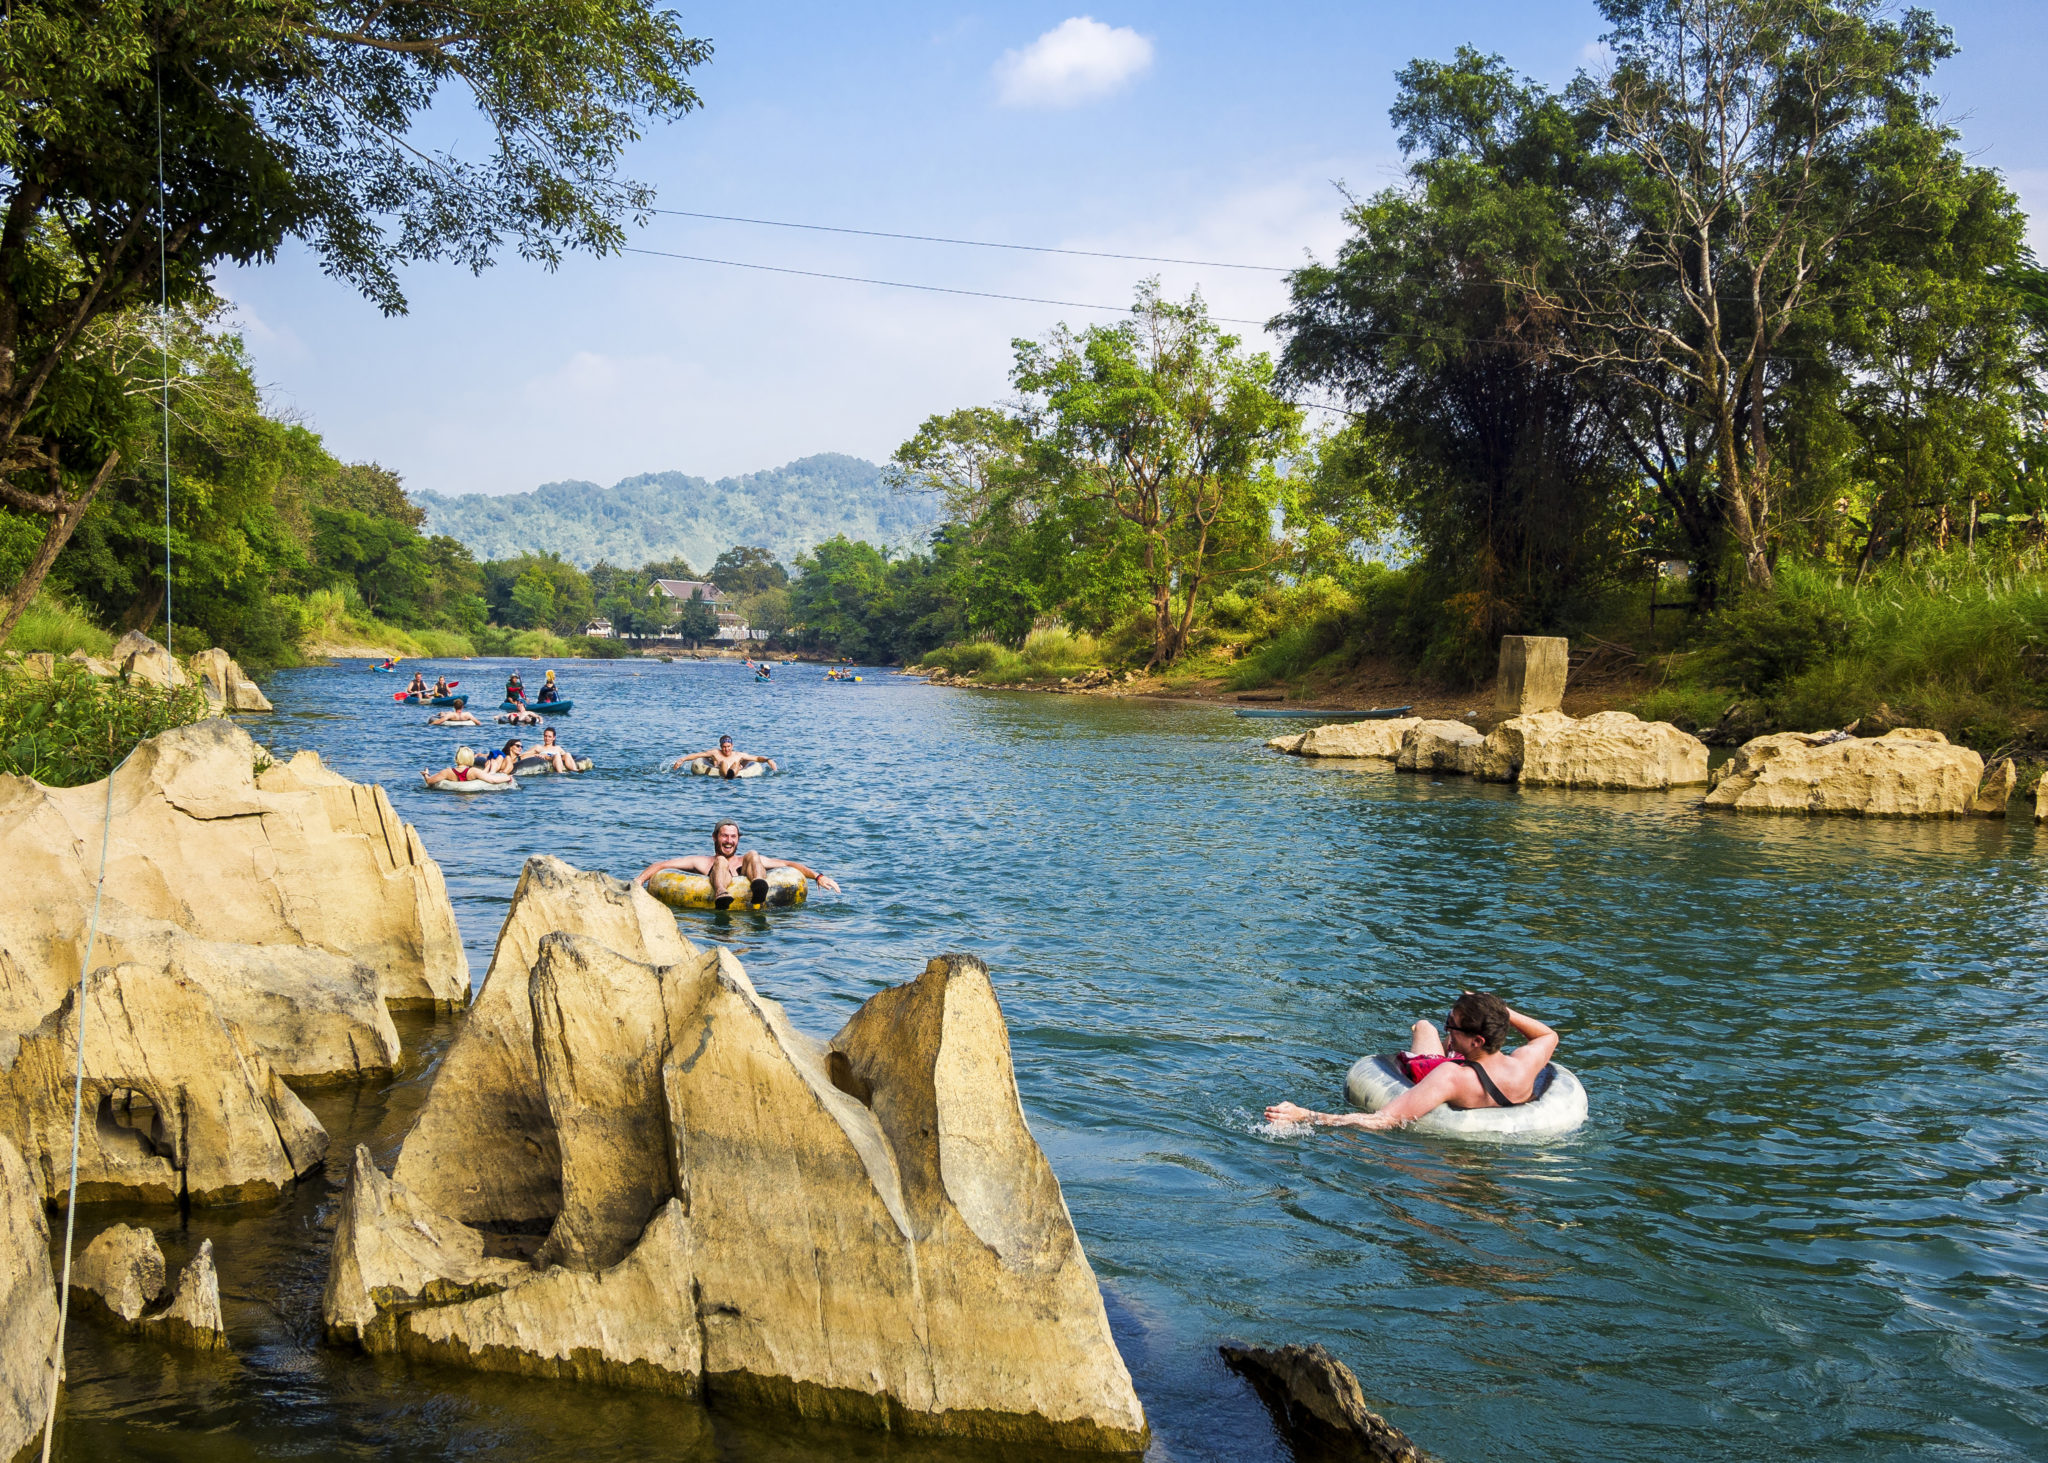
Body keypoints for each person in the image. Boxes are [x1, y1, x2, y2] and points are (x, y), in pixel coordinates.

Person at [1264, 991, 1559, 1132]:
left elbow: (1385, 1119)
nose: (1449, 1031)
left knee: (1423, 1027)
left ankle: (1428, 1031)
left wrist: (1304, 1115)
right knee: (1437, 1036)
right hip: (1486, 1071)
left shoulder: (1450, 1077)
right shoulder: (1524, 1065)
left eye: (1452, 1027)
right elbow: (1548, 1035)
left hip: (1441, 1078)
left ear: (1477, 1041)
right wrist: (1501, 1012)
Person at [634, 820, 839, 910]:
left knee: (753, 855)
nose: (729, 841)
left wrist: (818, 877)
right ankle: (721, 892)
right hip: (720, 899)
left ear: (738, 839)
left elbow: (788, 864)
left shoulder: (745, 859)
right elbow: (663, 865)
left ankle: (759, 884)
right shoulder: (702, 861)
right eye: (724, 836)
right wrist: (639, 881)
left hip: (751, 895)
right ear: (715, 837)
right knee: (720, 861)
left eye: (733, 837)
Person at [669, 734, 776, 778]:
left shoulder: (738, 755)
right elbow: (698, 755)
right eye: (724, 747)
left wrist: (768, 760)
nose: (726, 749)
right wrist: (682, 759)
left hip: (736, 770)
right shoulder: (715, 753)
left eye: (728, 746)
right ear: (721, 746)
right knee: (724, 762)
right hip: (719, 770)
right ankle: (728, 776)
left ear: (732, 746)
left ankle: (731, 774)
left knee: (736, 764)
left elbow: (756, 758)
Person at [422, 747, 514, 788]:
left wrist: (426, 774)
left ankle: (489, 768)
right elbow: (492, 780)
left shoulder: (447, 772)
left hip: (454, 799)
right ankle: (490, 768)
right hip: (471, 796)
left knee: (487, 770)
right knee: (490, 771)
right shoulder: (473, 771)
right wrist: (507, 778)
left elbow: (429, 781)